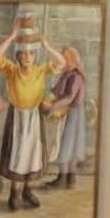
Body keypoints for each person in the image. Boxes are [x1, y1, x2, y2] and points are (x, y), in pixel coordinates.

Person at [0, 16, 65, 211]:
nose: (27, 57)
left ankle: (27, 190)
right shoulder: (12, 70)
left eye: (31, 54)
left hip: (33, 117)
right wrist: (12, 36)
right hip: (17, 117)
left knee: (32, 153)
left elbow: (61, 62)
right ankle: (14, 193)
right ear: (18, 56)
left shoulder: (41, 70)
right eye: (23, 54)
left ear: (35, 56)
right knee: (18, 154)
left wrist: (46, 45)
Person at [42, 45, 88, 189]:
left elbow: (69, 96)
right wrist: (47, 94)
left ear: (71, 60)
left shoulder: (75, 76)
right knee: (68, 144)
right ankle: (68, 177)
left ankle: (65, 177)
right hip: (67, 112)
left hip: (72, 113)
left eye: (64, 58)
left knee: (67, 144)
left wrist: (52, 106)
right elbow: (57, 90)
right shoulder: (66, 74)